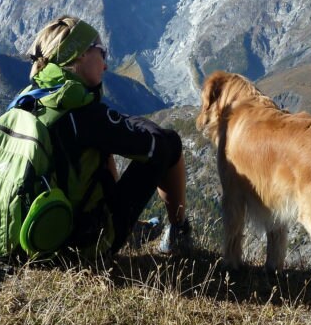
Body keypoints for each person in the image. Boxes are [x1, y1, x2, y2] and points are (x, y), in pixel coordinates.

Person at [23, 14, 192, 257]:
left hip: (25, 239)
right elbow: (153, 144)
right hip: (75, 246)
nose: (105, 64)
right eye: (102, 53)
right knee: (169, 143)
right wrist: (127, 123)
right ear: (81, 53)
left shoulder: (30, 98)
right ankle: (178, 234)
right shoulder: (82, 113)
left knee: (99, 150)